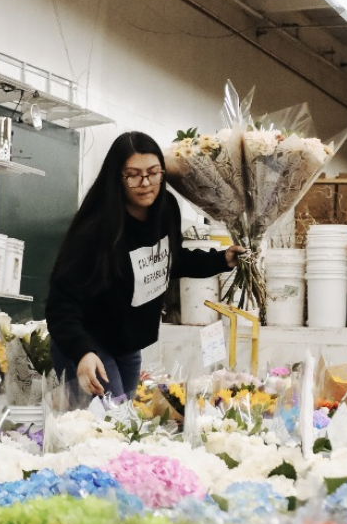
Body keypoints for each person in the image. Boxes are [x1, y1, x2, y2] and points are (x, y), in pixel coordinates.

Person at [45, 131, 241, 399]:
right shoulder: (95, 230)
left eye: (153, 172)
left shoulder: (166, 209)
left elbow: (170, 259)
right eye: (133, 174)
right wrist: (82, 352)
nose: (145, 182)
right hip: (89, 344)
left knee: (123, 425)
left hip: (128, 344)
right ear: (118, 177)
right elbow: (61, 302)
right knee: (105, 427)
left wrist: (222, 259)